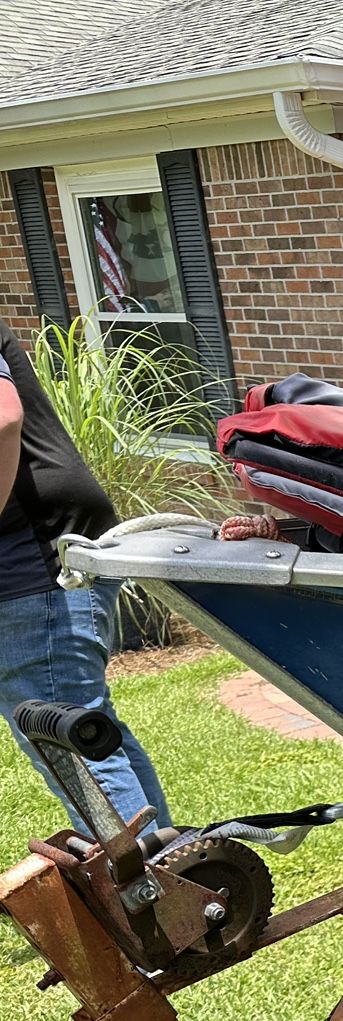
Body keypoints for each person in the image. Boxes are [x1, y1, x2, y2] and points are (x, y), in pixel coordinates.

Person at [0, 317, 171, 834]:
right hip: (51, 547)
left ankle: (158, 902)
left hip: (33, 553)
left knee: (69, 743)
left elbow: (3, 420)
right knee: (88, 732)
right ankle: (177, 873)